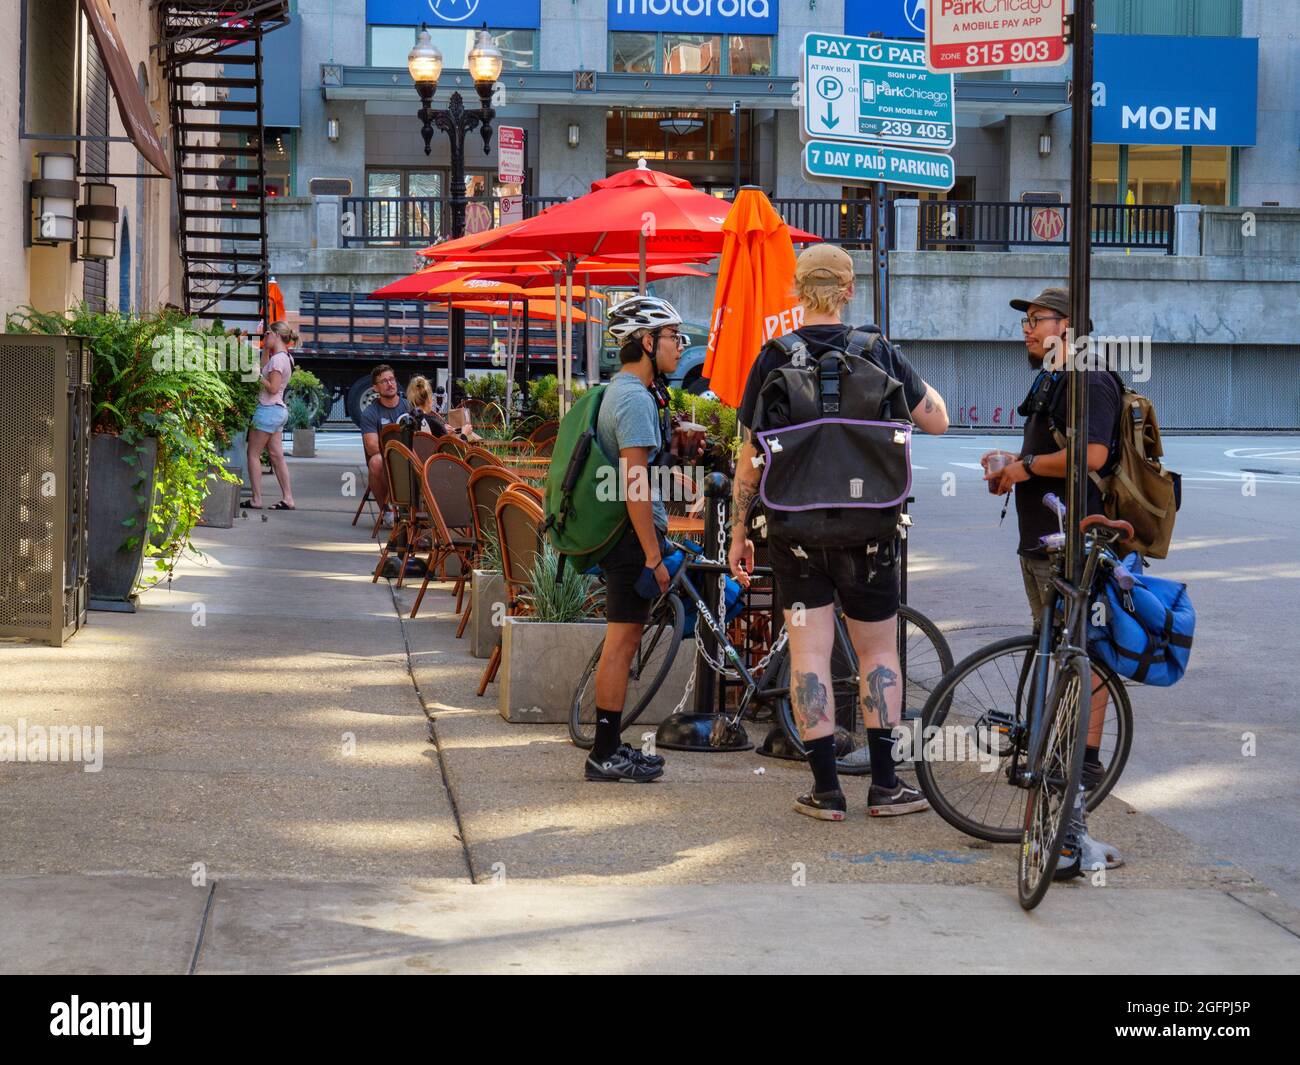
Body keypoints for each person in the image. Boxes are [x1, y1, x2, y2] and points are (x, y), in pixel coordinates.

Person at [728, 244, 950, 821]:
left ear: (797, 291)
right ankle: (884, 785)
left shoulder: (772, 357)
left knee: (809, 656)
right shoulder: (877, 350)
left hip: (794, 534)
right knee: (879, 652)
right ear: (848, 290)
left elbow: (749, 460)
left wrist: (737, 534)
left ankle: (826, 791)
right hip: (871, 533)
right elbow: (938, 420)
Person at [983, 286, 1124, 875]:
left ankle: (1078, 774)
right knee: (1056, 654)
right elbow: (1045, 451)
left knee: (1076, 659)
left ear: (1068, 326)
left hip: (1075, 542)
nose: (1026, 330)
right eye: (1026, 321)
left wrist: (1021, 468)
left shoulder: (1088, 375)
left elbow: (1090, 455)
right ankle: (1060, 776)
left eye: (1036, 320)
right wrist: (1010, 468)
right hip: (1041, 540)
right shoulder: (1053, 376)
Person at [584, 296, 703, 783]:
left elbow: (644, 475)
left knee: (624, 643)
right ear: (648, 342)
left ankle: (609, 747)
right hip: (632, 541)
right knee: (621, 644)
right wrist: (654, 555)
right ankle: (603, 753)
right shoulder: (633, 399)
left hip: (629, 536)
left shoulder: (628, 392)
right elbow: (634, 485)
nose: (681, 345)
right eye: (674, 337)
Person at [243, 321, 297, 511]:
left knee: (252, 454)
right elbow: (266, 366)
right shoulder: (285, 358)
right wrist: (265, 348)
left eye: (267, 335)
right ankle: (288, 498)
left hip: (267, 409)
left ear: (275, 334)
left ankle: (257, 499)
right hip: (278, 411)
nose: (265, 338)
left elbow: (272, 387)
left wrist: (256, 375)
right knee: (277, 455)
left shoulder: (278, 360)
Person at [360, 364, 409, 510]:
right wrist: (397, 452)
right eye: (384, 381)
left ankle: (420, 511)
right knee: (375, 462)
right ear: (375, 388)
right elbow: (372, 448)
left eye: (392, 379)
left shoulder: (409, 407)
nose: (390, 384)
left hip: (411, 457)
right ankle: (387, 511)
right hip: (387, 459)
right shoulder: (370, 413)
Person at [406, 375, 482, 443]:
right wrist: (464, 434)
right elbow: (457, 451)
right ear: (429, 399)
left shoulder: (405, 420)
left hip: (412, 458)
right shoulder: (433, 423)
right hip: (435, 458)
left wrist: (442, 429)